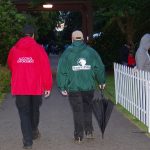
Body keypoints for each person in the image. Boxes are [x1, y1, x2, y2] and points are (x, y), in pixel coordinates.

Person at [7, 25, 53, 149]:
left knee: (24, 113)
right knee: (34, 110)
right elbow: (45, 69)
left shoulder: (14, 50)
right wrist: (47, 86)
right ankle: (33, 132)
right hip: (36, 87)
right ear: (33, 35)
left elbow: (11, 65)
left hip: (20, 87)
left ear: (23, 35)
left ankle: (28, 142)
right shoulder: (39, 49)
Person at [57, 30, 105, 143]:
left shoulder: (67, 53)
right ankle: (89, 131)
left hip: (74, 88)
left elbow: (61, 71)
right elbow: (99, 67)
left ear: (72, 39)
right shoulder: (91, 52)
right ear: (82, 39)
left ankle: (78, 136)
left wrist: (62, 86)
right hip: (88, 87)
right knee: (87, 108)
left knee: (77, 111)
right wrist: (101, 81)